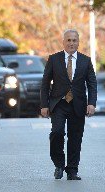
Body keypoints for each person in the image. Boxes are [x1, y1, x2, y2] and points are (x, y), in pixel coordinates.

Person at [40, 29, 97, 180]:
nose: (71, 43)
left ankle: (72, 170)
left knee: (75, 137)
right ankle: (59, 164)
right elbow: (45, 84)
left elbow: (92, 84)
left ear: (78, 42)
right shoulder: (54, 59)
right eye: (69, 40)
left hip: (78, 104)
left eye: (74, 40)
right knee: (57, 133)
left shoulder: (86, 60)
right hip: (59, 103)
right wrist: (44, 105)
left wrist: (91, 103)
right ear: (63, 42)